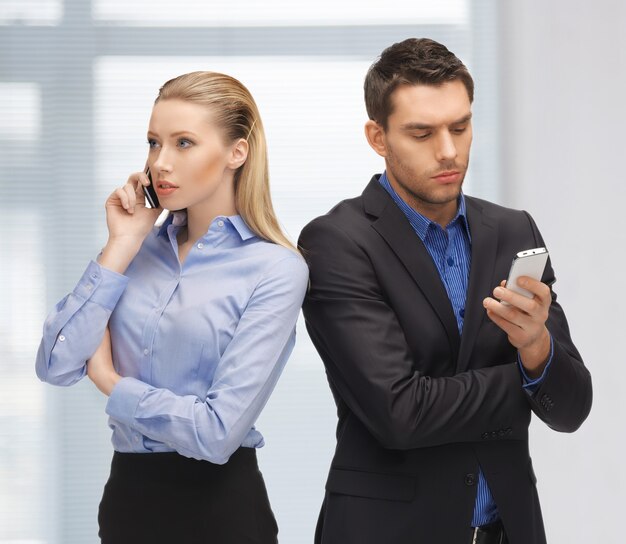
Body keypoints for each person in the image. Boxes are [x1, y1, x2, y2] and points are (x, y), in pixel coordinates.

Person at [298, 38, 592, 544]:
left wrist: (538, 347)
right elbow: (401, 414)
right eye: (422, 133)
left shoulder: (514, 230)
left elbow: (570, 409)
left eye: (461, 126)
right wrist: (523, 374)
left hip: (507, 530)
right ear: (378, 136)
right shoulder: (336, 242)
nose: (449, 150)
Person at [36, 71, 308, 544]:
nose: (160, 162)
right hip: (127, 501)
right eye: (153, 142)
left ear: (236, 153)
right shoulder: (133, 253)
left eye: (183, 143)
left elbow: (217, 433)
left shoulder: (275, 269)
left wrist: (110, 382)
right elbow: (55, 364)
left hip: (221, 510)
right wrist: (121, 243)